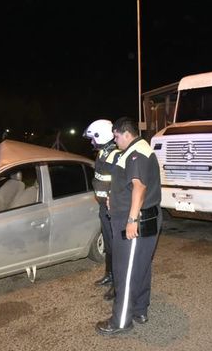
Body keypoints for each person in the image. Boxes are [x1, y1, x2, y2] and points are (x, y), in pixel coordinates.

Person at [95, 117, 162, 335]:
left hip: (134, 222)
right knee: (140, 267)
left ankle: (121, 321)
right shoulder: (135, 150)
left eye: (116, 136)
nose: (115, 141)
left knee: (125, 271)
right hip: (142, 218)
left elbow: (139, 187)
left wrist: (132, 219)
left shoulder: (136, 153)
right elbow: (128, 185)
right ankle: (140, 310)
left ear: (126, 133)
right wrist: (113, 197)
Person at [83, 119, 121, 301]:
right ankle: (109, 274)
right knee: (108, 244)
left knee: (116, 247)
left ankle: (118, 284)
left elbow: (119, 183)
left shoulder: (116, 155)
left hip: (112, 209)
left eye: (93, 138)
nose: (92, 142)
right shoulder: (102, 153)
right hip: (103, 207)